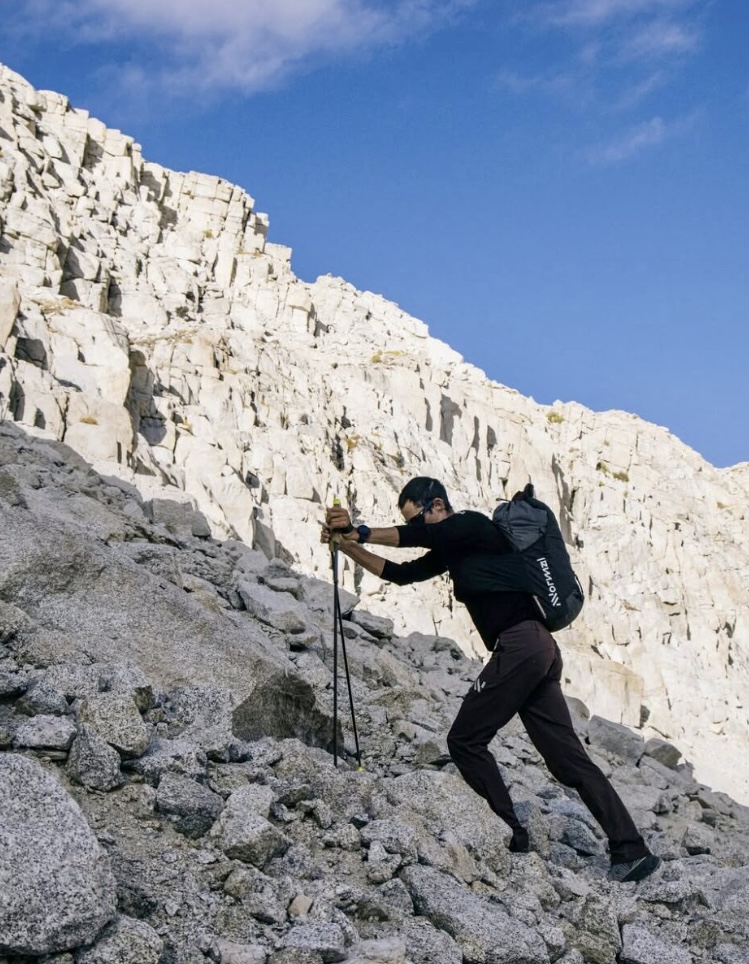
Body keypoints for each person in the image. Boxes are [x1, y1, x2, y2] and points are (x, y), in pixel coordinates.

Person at [322, 476, 661, 883]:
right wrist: (348, 546)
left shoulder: (473, 525)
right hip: (537, 650)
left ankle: (511, 834)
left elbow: (416, 539)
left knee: (464, 740)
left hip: (520, 646)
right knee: (567, 759)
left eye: (420, 518)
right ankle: (632, 850)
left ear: (437, 506)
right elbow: (400, 574)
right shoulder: (454, 547)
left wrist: (356, 528)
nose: (422, 527)